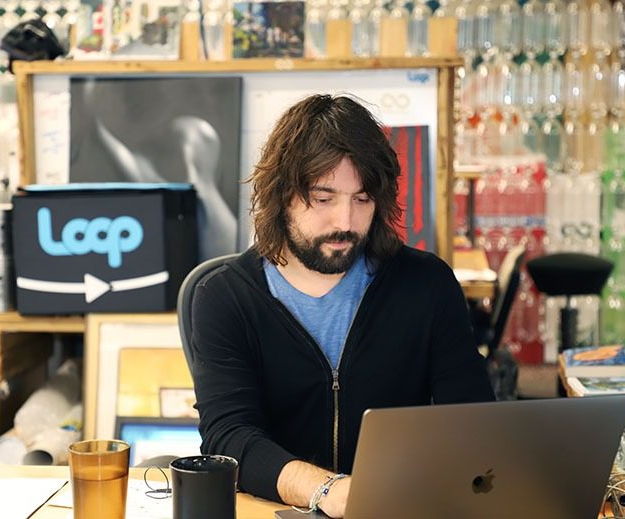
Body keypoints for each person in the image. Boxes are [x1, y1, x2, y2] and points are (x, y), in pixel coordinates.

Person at [189, 93, 495, 518]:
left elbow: (472, 422)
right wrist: (327, 490)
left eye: (362, 199)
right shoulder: (226, 297)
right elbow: (229, 437)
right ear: (282, 196)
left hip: (398, 508)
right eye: (323, 198)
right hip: (276, 511)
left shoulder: (426, 285)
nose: (345, 222)